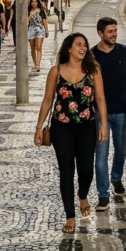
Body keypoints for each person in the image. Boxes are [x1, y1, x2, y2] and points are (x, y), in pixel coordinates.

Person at [34, 33, 108, 234]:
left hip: (86, 127)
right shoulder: (56, 71)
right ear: (69, 48)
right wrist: (39, 127)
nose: (83, 48)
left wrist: (103, 125)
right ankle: (70, 216)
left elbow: (100, 99)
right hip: (61, 128)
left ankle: (82, 195)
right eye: (78, 45)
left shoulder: (93, 71)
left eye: (85, 45)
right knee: (66, 171)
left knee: (86, 171)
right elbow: (48, 100)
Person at [90, 17, 126, 210]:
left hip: (121, 111)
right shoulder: (92, 55)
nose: (114, 34)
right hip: (100, 114)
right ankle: (103, 195)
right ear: (100, 33)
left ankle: (116, 177)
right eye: (110, 31)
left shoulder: (125, 52)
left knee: (121, 150)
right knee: (101, 154)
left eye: (115, 31)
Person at [28, 0, 49, 72]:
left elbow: (44, 20)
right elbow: (26, 22)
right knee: (32, 47)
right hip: (31, 29)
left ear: (37, 3)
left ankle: (37, 65)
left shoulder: (41, 10)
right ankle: (35, 64)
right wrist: (30, 15)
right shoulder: (28, 11)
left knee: (39, 47)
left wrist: (46, 30)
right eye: (32, 2)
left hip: (40, 29)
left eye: (35, 2)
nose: (34, 3)